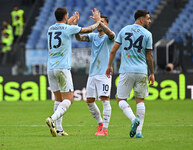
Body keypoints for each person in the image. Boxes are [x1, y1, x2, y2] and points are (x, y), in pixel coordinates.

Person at [45, 7, 101, 137]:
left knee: (58, 99)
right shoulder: (68, 28)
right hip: (62, 68)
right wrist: (98, 22)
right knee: (69, 99)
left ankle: (58, 130)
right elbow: (88, 29)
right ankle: (52, 119)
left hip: (50, 68)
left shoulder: (50, 29)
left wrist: (69, 21)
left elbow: (63, 28)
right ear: (65, 16)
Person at [106, 9, 155, 138]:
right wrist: (152, 73)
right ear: (140, 19)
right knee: (140, 101)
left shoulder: (124, 30)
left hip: (126, 70)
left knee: (120, 100)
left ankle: (134, 119)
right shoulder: (148, 34)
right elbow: (149, 56)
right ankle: (139, 132)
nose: (149, 20)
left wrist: (109, 65)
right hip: (141, 71)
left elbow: (113, 51)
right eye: (147, 18)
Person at [75, 13, 115, 136]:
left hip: (104, 74)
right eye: (98, 22)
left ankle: (105, 130)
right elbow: (79, 38)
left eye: (102, 21)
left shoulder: (109, 37)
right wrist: (76, 27)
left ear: (106, 24)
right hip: (92, 73)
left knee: (105, 100)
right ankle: (100, 124)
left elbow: (111, 34)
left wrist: (99, 22)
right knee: (89, 101)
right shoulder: (94, 36)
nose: (99, 24)